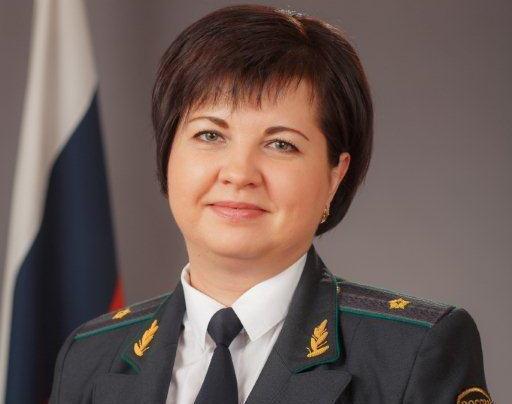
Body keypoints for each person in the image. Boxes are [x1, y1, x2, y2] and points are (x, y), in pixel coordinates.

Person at [49, 4, 492, 404]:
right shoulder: (90, 355)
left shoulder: (415, 351)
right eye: (209, 135)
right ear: (167, 154)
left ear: (335, 175)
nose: (239, 173)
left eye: (281, 144)